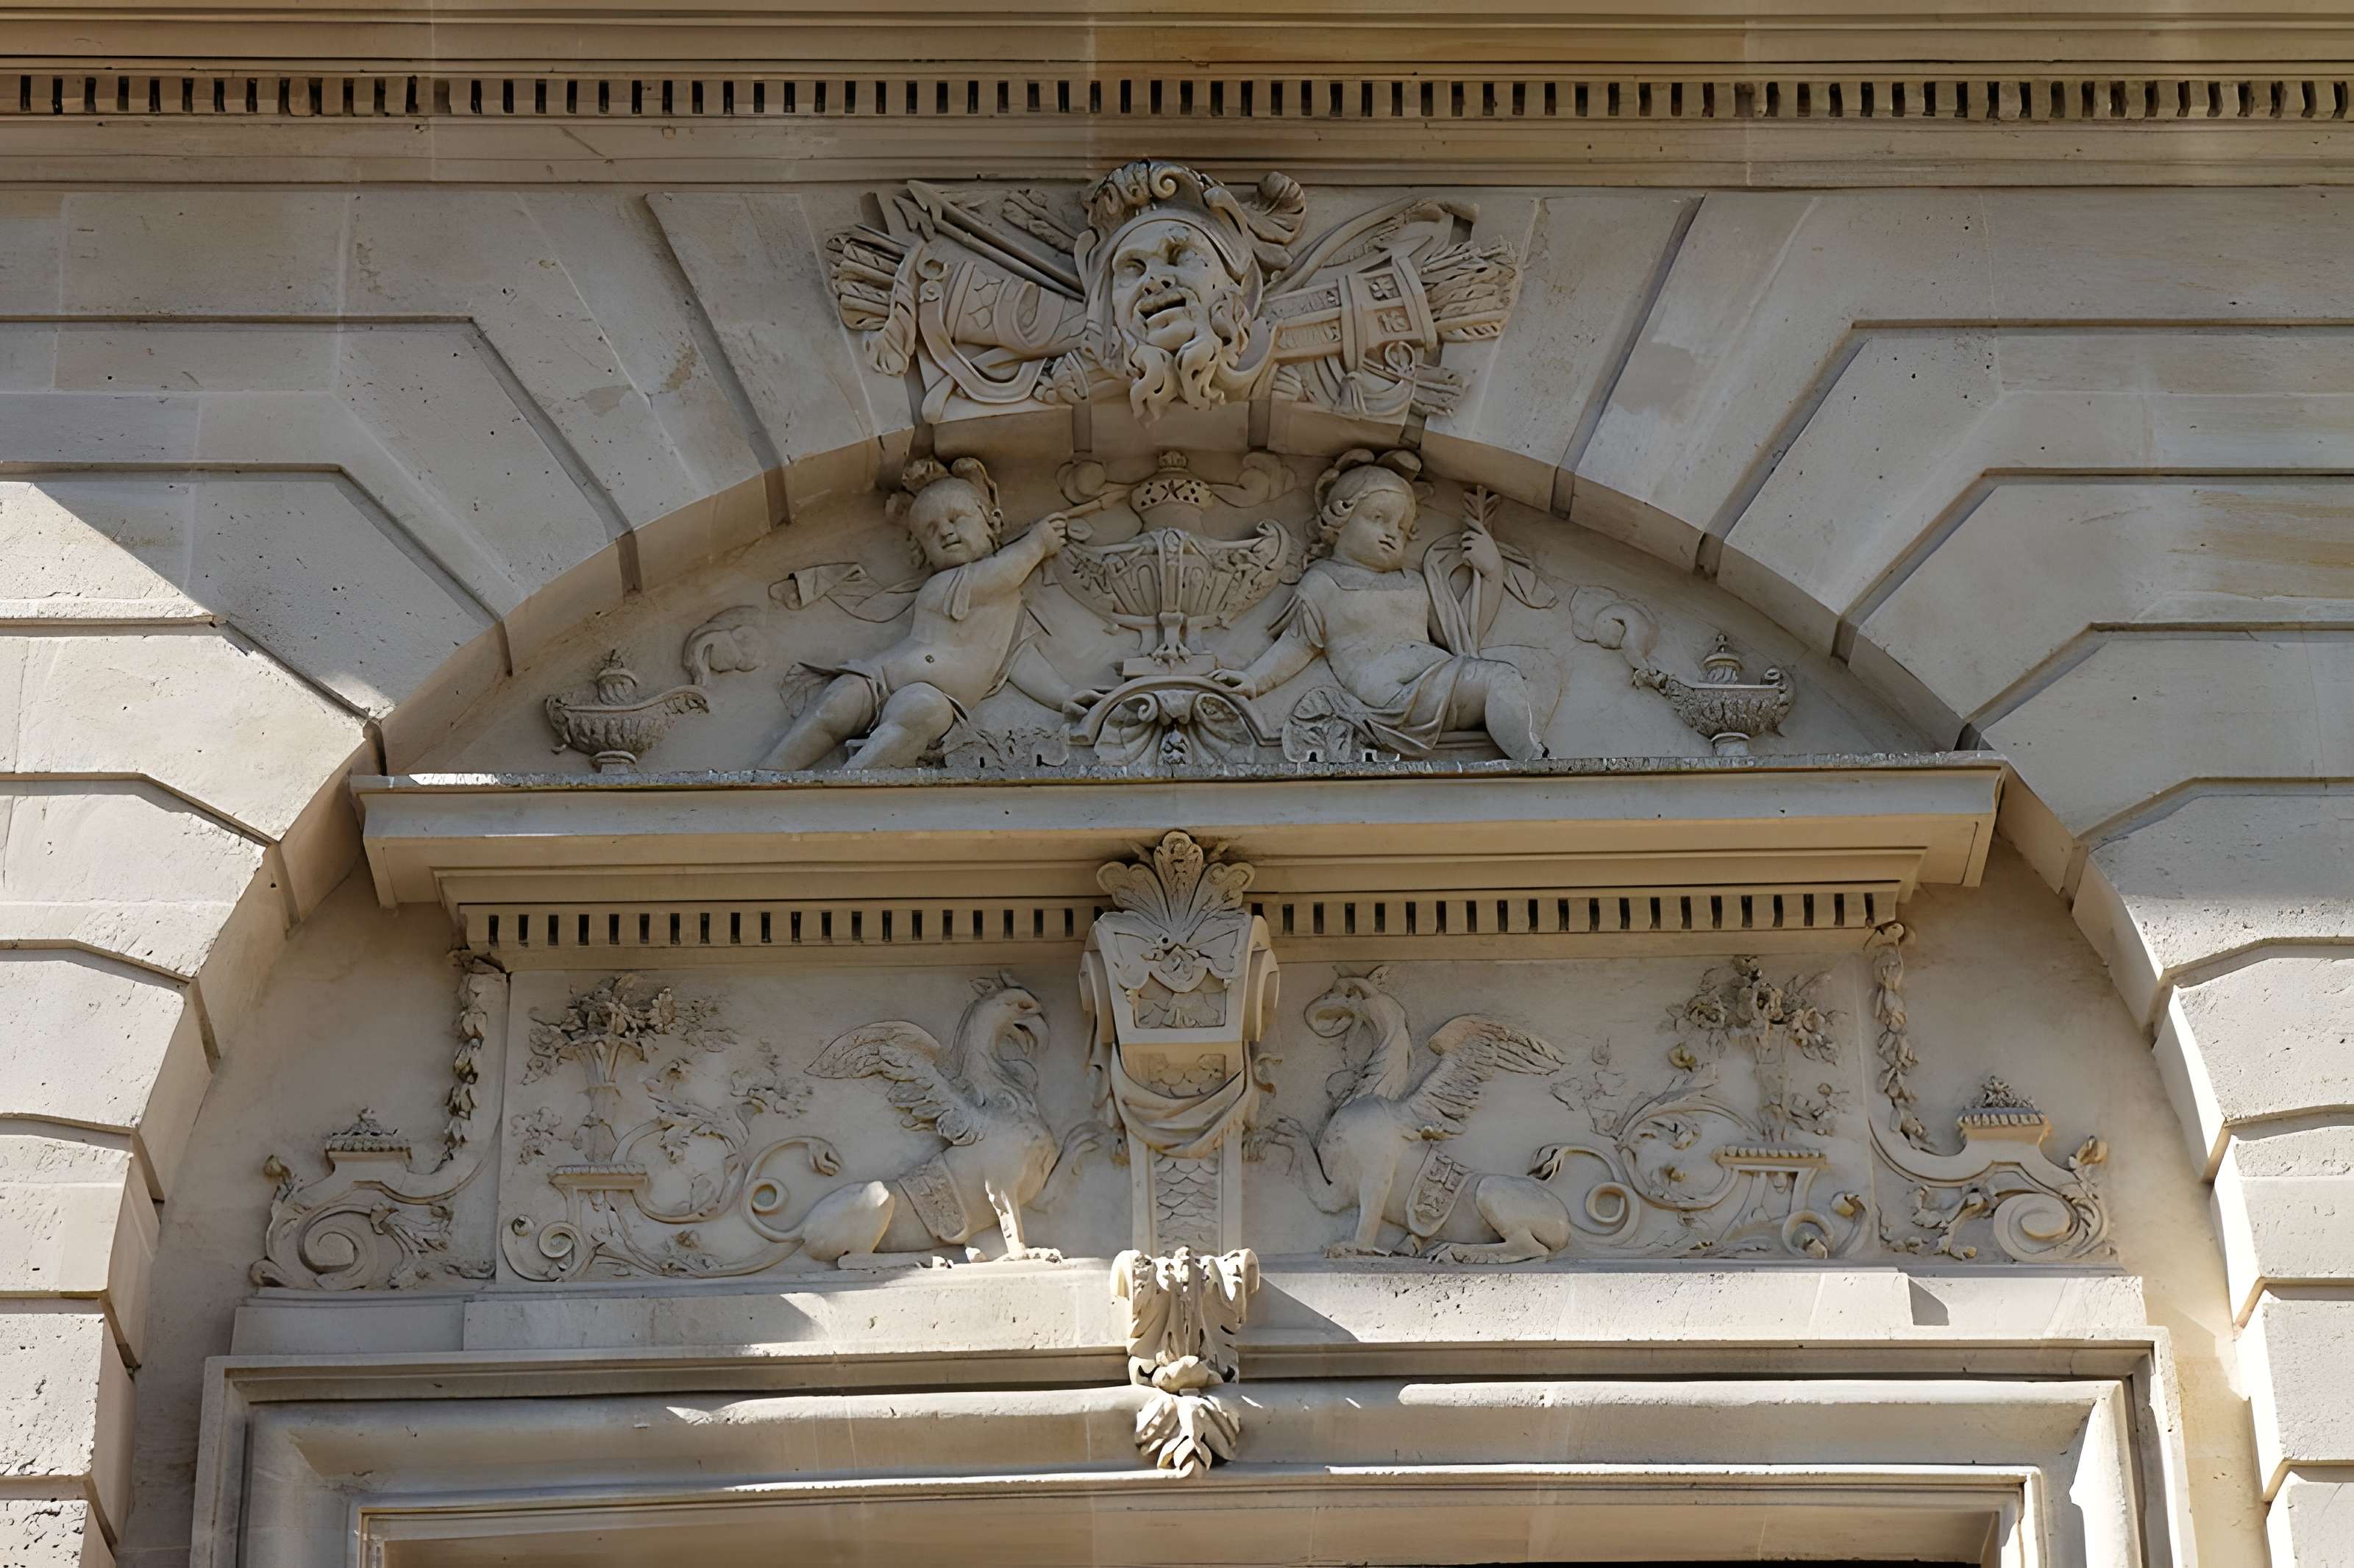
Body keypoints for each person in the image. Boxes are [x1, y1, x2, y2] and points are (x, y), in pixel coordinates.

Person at [1212, 449, 1552, 760]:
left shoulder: (1413, 582)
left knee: (1519, 673)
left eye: (1402, 527)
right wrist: (1252, 680)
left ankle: (1529, 759)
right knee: (1501, 678)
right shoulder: (1324, 583)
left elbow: (1463, 631)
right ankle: (1533, 761)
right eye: (1378, 518)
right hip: (1396, 699)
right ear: (1339, 518)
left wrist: (1491, 572)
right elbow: (1296, 645)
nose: (1392, 533)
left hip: (1440, 684)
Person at [762, 457, 1087, 771]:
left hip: (936, 698)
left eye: (956, 518)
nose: (945, 532)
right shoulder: (945, 585)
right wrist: (1037, 545)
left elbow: (1020, 660)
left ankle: (849, 788)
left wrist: (1065, 697)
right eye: (931, 530)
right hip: (880, 680)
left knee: (920, 714)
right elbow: (1001, 574)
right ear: (921, 551)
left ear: (994, 522)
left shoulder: (1010, 607)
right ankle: (767, 780)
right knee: (832, 712)